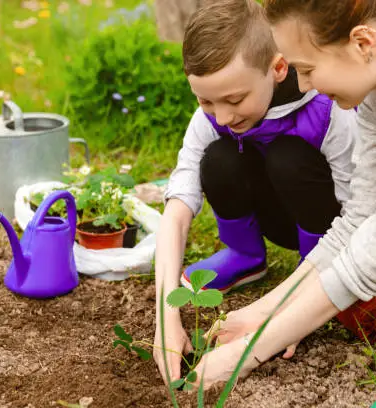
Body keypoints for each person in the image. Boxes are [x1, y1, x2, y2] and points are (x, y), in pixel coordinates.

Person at [188, 0, 376, 389]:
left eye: (308, 69)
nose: (305, 86)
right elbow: (360, 220)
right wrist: (266, 311)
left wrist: (248, 354)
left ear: (363, 43)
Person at [154, 0, 360, 384]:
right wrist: (165, 320)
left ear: (278, 68)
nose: (223, 116)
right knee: (216, 157)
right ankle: (245, 256)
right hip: (269, 210)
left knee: (288, 156)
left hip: (323, 226)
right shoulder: (213, 116)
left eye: (234, 100)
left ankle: (307, 273)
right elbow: (178, 207)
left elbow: (358, 211)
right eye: (205, 101)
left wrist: (303, 304)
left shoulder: (328, 108)